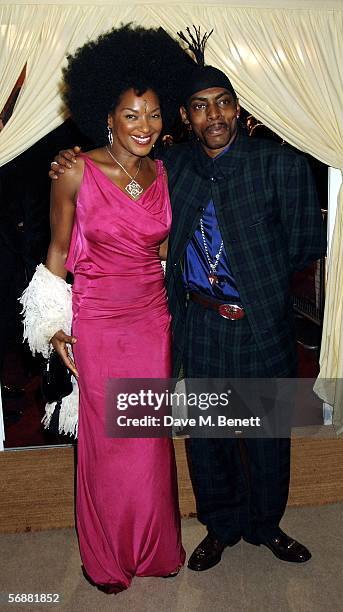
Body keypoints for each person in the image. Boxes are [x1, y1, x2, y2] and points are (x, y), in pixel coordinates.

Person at [49, 47, 326, 571]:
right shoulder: (171, 167)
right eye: (200, 106)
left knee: (267, 435)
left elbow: (305, 244)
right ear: (186, 116)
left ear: (238, 109)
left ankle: (267, 526)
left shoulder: (281, 166)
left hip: (260, 323)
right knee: (207, 439)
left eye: (223, 103)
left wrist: (259, 285)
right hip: (197, 322)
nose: (213, 115)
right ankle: (220, 527)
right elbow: (116, 180)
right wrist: (67, 158)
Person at [20, 25, 197, 592]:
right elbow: (55, 253)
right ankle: (105, 558)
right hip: (97, 325)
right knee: (106, 448)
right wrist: (52, 328)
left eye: (152, 114)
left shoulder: (165, 173)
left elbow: (166, 250)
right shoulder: (73, 170)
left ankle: (153, 547)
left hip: (152, 323)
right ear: (106, 116)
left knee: (147, 444)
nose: (145, 127)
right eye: (131, 115)